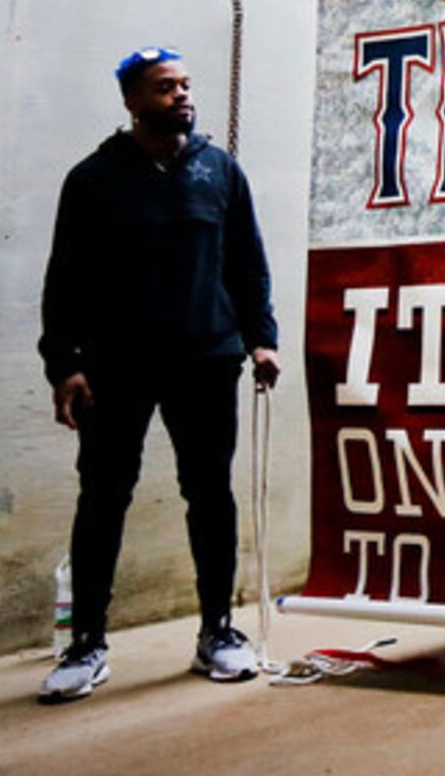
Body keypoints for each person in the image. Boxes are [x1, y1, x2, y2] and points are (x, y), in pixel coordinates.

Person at [37, 46, 280, 702]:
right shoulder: (92, 180)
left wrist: (261, 340)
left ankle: (218, 634)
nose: (180, 95)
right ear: (131, 100)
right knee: (103, 498)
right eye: (163, 86)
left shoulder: (219, 170)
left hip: (205, 361)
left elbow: (247, 264)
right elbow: (66, 280)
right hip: (116, 367)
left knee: (210, 495)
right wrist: (64, 365)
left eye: (184, 84)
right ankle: (86, 645)